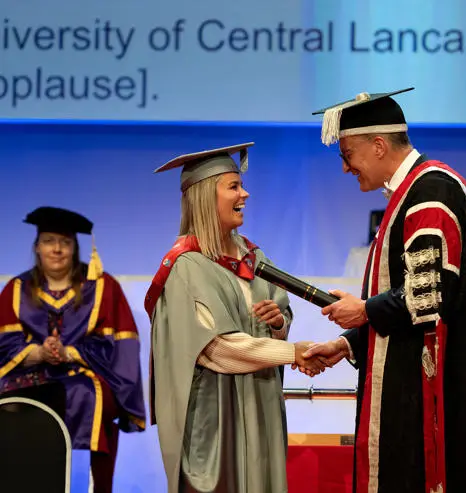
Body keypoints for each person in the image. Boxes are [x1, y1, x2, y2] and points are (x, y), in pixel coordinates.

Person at [301, 88, 466, 493]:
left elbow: (427, 297)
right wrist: (348, 344)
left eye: (346, 154)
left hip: (435, 398)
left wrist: (364, 311)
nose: (346, 168)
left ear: (378, 145)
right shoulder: (414, 192)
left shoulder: (429, 194)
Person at [145, 142, 325, 493]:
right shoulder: (187, 266)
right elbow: (217, 348)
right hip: (216, 415)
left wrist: (278, 325)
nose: (245, 193)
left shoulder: (253, 256)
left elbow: (282, 311)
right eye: (233, 186)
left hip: (259, 406)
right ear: (203, 197)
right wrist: (292, 352)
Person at [0, 206, 146, 493]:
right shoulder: (17, 289)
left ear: (75, 248)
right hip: (30, 371)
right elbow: (5, 343)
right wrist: (38, 352)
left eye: (65, 243)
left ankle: (96, 488)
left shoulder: (103, 287)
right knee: (12, 401)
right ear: (37, 247)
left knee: (88, 395)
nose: (57, 250)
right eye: (49, 241)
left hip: (87, 374)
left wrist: (69, 353)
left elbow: (118, 345)